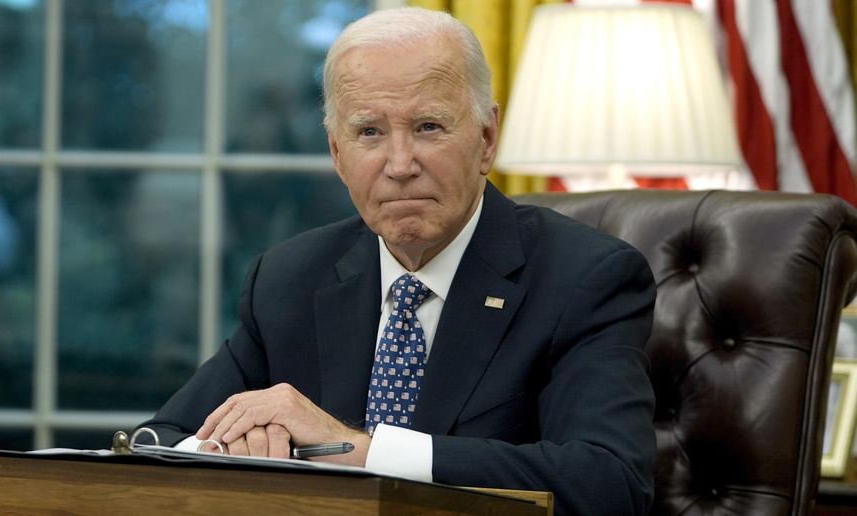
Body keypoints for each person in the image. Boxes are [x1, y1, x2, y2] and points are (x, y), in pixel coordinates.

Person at [140, 7, 657, 515]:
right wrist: (234, 447)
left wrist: (357, 451)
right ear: (337, 153)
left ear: (486, 139)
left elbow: (608, 483)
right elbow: (158, 444)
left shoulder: (585, 279)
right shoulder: (289, 277)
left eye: (429, 126)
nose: (400, 164)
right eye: (369, 132)